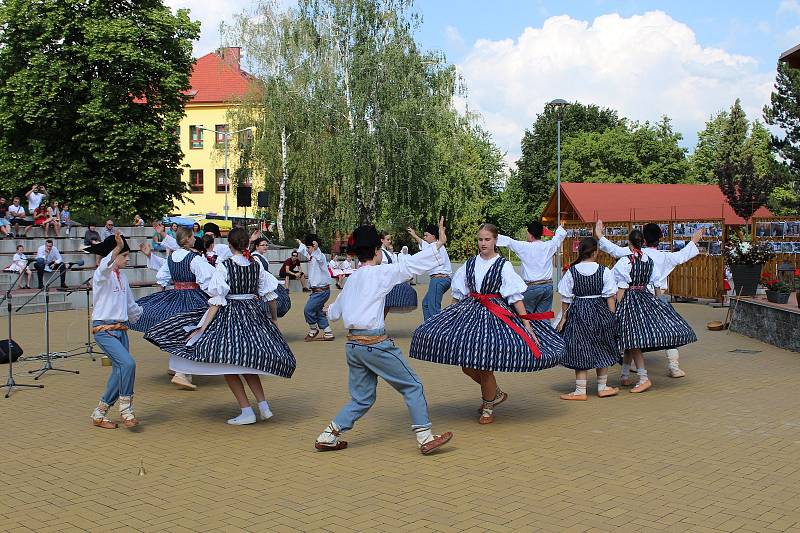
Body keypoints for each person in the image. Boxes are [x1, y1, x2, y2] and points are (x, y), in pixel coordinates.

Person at [315, 222, 452, 454]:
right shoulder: (381, 273)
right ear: (378, 251)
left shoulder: (351, 280)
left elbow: (335, 314)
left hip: (353, 347)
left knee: (362, 398)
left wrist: (329, 309)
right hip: (375, 345)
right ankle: (425, 437)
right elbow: (410, 265)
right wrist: (438, 245)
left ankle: (328, 434)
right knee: (413, 385)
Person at [409, 223, 564, 424]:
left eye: (487, 239)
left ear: (495, 241)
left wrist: (527, 325)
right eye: (480, 239)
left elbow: (516, 297)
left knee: (484, 362)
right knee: (466, 364)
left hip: (494, 315)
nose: (483, 243)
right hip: (470, 312)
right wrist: (449, 315)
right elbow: (458, 291)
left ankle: (488, 406)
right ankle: (496, 393)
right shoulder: (470, 263)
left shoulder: (503, 265)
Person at [145, 227, 296, 425]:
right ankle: (264, 406)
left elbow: (217, 300)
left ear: (230, 245)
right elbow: (270, 296)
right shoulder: (255, 264)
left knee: (228, 363)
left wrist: (202, 327)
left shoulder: (224, 266)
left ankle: (246, 410)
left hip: (232, 315)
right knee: (249, 364)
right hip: (253, 314)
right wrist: (274, 319)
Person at [596, 220, 702, 379]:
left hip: (632, 297)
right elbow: (682, 256)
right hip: (656, 298)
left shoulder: (631, 253)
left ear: (641, 239)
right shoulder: (665, 256)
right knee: (668, 329)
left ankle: (630, 366)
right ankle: (673, 366)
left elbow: (614, 249)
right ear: (660, 238)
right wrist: (693, 241)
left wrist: (599, 235)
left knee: (632, 331)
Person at [132, 228, 221, 391]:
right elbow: (208, 280)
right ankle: (181, 372)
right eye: (193, 237)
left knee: (177, 330)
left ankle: (178, 368)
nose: (195, 239)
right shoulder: (194, 259)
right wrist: (217, 295)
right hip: (193, 298)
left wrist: (160, 300)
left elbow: (162, 278)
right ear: (187, 239)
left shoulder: (172, 257)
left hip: (175, 296)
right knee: (193, 330)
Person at [85, 233, 143, 429]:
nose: (127, 258)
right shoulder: (101, 275)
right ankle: (126, 409)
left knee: (119, 371)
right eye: (124, 255)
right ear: (114, 254)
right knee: (128, 364)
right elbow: (104, 266)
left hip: (121, 329)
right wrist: (116, 248)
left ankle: (99, 413)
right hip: (104, 329)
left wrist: (148, 317)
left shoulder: (123, 277)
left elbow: (131, 306)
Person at [556, 237, 620, 400]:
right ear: (595, 252)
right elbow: (610, 297)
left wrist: (563, 318)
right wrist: (611, 317)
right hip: (599, 310)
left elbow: (566, 298)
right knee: (602, 345)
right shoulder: (604, 271)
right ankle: (602, 387)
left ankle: (580, 390)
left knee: (580, 347)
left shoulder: (572, 271)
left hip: (579, 310)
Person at [497, 221, 567, 314]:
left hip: (532, 287)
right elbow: (558, 237)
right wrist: (561, 227)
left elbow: (509, 241)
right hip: (548, 287)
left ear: (530, 234)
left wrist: (490, 235)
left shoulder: (524, 247)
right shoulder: (548, 246)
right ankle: (545, 328)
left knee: (525, 316)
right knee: (543, 317)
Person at [408, 223, 452, 320]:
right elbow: (422, 244)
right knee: (426, 304)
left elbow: (425, 244)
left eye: (426, 235)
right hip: (442, 280)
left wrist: (441, 230)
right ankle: (428, 329)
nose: (424, 237)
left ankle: (436, 332)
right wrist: (414, 235)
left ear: (433, 236)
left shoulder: (435, 246)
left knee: (433, 309)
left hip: (439, 280)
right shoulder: (433, 246)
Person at [296, 234, 335, 341]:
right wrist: (301, 244)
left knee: (308, 310)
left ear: (314, 246)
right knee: (317, 311)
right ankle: (328, 332)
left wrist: (317, 248)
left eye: (309, 247)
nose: (307, 250)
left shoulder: (320, 257)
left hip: (321, 291)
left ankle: (313, 329)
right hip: (318, 291)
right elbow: (305, 251)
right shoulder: (312, 255)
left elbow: (318, 255)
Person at [251, 236, 291, 318]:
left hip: (266, 282)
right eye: (263, 245)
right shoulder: (255, 256)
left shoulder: (259, 256)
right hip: (262, 284)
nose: (265, 247)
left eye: (266, 245)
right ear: (257, 246)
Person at [380, 231, 417, 316]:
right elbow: (383, 268)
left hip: (389, 281)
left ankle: (381, 322)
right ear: (382, 240)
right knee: (383, 304)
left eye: (390, 239)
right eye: (388, 239)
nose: (390, 241)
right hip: (384, 281)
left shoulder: (387, 252)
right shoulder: (381, 252)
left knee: (386, 304)